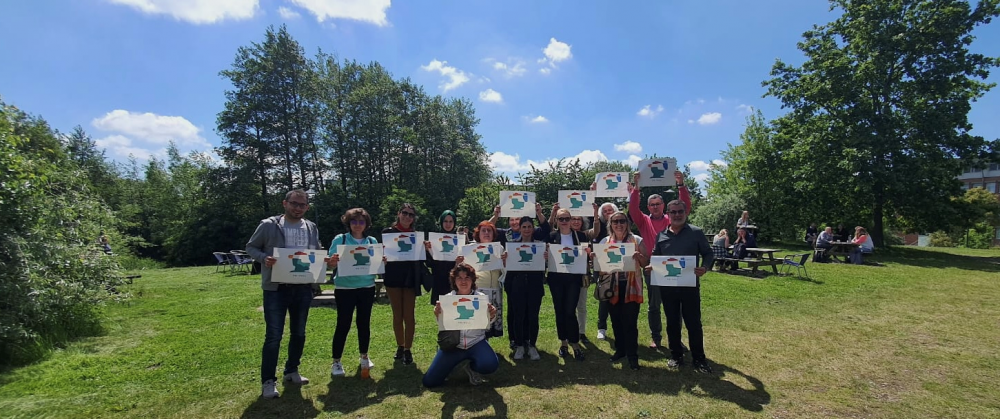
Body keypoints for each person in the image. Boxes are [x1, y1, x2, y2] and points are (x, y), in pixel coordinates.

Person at [246, 189, 334, 399]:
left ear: (307, 207)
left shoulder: (311, 227)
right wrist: (264, 258)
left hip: (303, 287)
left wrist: (326, 260)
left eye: (302, 205)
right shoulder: (269, 225)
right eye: (294, 204)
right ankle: (268, 381)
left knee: (299, 333)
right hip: (276, 288)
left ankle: (291, 371)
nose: (298, 208)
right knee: (274, 336)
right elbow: (251, 247)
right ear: (284, 203)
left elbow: (316, 251)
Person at [627, 170, 691, 350]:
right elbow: (632, 209)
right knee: (654, 306)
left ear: (663, 205)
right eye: (652, 204)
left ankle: (676, 339)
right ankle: (656, 338)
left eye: (658, 204)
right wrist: (636, 188)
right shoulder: (644, 221)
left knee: (675, 307)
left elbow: (684, 205)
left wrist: (680, 184)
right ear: (648, 207)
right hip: (652, 268)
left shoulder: (673, 219)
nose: (655, 207)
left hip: (672, 266)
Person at [651, 199, 715, 373]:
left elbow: (708, 253)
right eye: (673, 212)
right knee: (672, 322)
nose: (677, 215)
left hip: (689, 286)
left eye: (680, 211)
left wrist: (705, 267)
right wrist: (652, 265)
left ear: (685, 213)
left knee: (693, 322)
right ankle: (676, 356)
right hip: (668, 286)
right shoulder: (661, 235)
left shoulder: (696, 232)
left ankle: (699, 358)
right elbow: (655, 256)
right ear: (668, 214)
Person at [422, 263, 500, 387]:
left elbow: (487, 324)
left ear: (473, 280)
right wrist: (438, 315)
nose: (463, 281)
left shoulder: (481, 298)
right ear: (454, 280)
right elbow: (443, 325)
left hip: (476, 342)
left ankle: (472, 368)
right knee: (430, 382)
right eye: (459, 278)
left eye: (467, 277)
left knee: (490, 365)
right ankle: (453, 364)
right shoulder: (448, 299)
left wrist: (491, 315)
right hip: (454, 344)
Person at [326, 208, 380, 377]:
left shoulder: (372, 240)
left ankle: (364, 356)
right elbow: (330, 264)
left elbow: (377, 263)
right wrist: (333, 261)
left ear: (366, 224)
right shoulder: (340, 239)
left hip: (367, 286)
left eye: (361, 221)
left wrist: (381, 260)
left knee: (364, 323)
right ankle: (336, 361)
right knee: (343, 324)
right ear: (348, 223)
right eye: (354, 221)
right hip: (345, 288)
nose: (357, 225)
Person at [597, 211, 647, 370]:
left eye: (622, 221)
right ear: (610, 224)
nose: (619, 224)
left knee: (630, 323)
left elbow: (646, 263)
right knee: (616, 321)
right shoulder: (605, 241)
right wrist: (596, 260)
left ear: (627, 223)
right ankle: (620, 350)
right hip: (613, 286)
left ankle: (633, 356)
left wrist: (639, 257)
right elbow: (600, 267)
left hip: (631, 286)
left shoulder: (637, 240)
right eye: (615, 221)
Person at [546, 208, 593, 361]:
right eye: (561, 219)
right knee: (559, 310)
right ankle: (563, 342)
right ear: (557, 221)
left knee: (569, 311)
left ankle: (575, 344)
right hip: (556, 279)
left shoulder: (580, 236)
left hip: (573, 279)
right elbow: (545, 257)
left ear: (571, 219)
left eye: (567, 218)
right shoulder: (551, 236)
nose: (564, 222)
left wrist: (588, 253)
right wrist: (545, 255)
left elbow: (586, 256)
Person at [381, 203, 423, 365]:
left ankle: (408, 349)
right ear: (398, 214)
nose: (407, 217)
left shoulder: (416, 235)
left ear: (414, 218)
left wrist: (425, 248)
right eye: (405, 213)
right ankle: (400, 345)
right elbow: (382, 253)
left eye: (411, 215)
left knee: (409, 316)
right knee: (397, 315)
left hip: (410, 279)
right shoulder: (388, 233)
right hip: (393, 278)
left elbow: (420, 257)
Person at [503, 216, 548, 361]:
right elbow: (508, 268)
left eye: (529, 227)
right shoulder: (512, 246)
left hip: (535, 285)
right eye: (524, 227)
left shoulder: (540, 245)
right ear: (520, 228)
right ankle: (520, 345)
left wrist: (546, 258)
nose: (527, 230)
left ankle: (532, 345)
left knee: (533, 316)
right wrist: (505, 258)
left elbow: (544, 267)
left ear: (533, 228)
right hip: (517, 285)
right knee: (518, 316)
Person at [457, 221, 507, 339]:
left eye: (489, 230)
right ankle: (477, 345)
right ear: (478, 234)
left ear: (493, 234)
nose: (486, 233)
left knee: (491, 317)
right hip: (479, 289)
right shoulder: (469, 249)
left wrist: (505, 262)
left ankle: (486, 344)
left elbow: (504, 270)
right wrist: (459, 262)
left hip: (494, 288)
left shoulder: (499, 248)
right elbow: (462, 271)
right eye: (483, 230)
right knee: (478, 319)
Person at [594, 202, 619, 341]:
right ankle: (601, 328)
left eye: (610, 210)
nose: (608, 213)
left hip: (621, 271)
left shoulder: (625, 230)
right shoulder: (600, 230)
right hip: (604, 269)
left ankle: (620, 327)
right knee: (604, 299)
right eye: (605, 211)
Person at [425, 210, 461, 305]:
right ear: (441, 222)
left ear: (454, 223)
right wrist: (428, 250)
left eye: (451, 221)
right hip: (439, 280)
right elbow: (429, 263)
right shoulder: (434, 240)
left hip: (455, 279)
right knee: (440, 311)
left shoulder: (460, 240)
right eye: (445, 221)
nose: (448, 224)